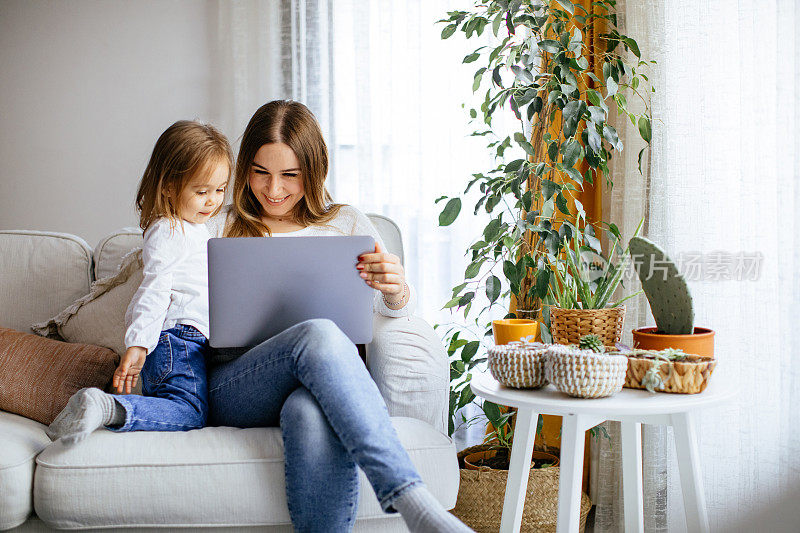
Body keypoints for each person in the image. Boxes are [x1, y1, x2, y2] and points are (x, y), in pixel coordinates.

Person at [206, 100, 471, 533]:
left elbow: (392, 311)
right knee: (319, 333)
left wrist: (397, 287)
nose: (273, 190)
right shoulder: (218, 225)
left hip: (320, 385)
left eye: (289, 175)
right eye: (260, 172)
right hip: (238, 384)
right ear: (244, 169)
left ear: (314, 171)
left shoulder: (345, 222)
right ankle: (410, 497)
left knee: (310, 411)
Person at [46, 120, 233, 444]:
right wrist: (138, 344)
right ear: (168, 187)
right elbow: (154, 288)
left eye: (219, 189)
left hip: (191, 340)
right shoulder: (168, 230)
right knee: (190, 411)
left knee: (193, 407)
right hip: (178, 339)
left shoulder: (192, 228)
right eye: (201, 191)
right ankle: (109, 408)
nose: (212, 201)